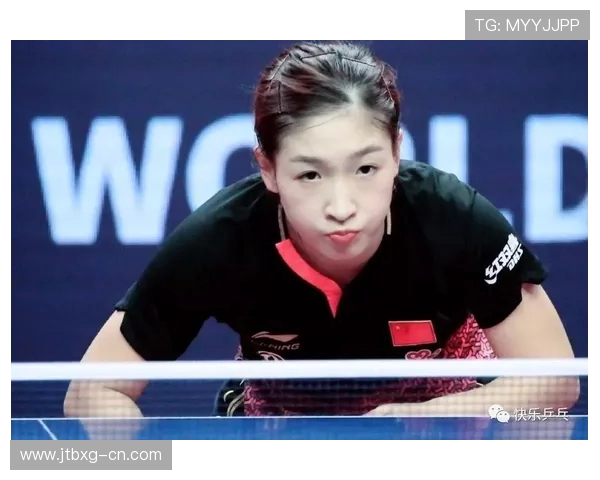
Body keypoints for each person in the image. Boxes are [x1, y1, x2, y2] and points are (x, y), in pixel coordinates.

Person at [64, 41, 579, 421]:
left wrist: (426, 416)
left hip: (452, 415)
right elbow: (92, 392)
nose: (341, 207)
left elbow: (555, 385)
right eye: (310, 175)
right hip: (280, 425)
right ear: (268, 169)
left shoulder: (455, 219)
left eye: (366, 169)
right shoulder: (219, 239)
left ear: (397, 151)